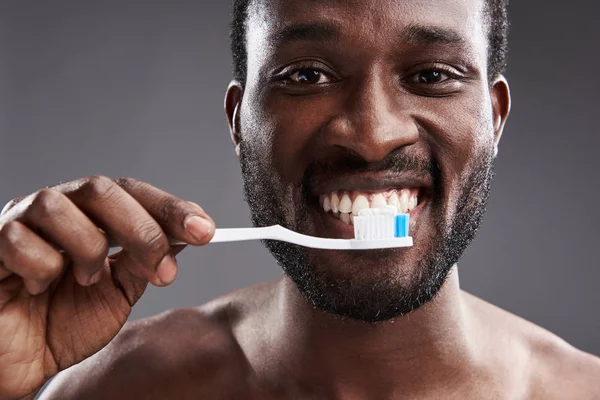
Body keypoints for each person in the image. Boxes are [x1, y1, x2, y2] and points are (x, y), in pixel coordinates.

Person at [1, 0, 599, 398]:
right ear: (240, 122)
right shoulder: (121, 388)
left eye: (433, 75)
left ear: (493, 121)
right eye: (307, 76)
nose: (371, 136)